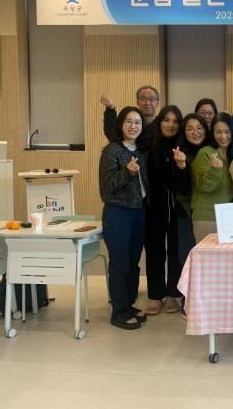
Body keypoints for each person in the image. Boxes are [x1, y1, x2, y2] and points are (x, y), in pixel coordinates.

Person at [99, 106, 149, 330]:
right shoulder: (112, 150)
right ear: (121, 124)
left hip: (139, 212)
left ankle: (128, 304)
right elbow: (106, 187)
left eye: (137, 122)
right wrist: (127, 172)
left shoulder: (141, 150)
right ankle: (118, 311)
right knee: (119, 262)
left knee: (132, 262)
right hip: (117, 212)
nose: (133, 126)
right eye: (129, 121)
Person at [144, 105, 184, 316]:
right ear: (159, 123)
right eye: (167, 120)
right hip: (154, 206)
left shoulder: (183, 145)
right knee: (154, 251)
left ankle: (172, 294)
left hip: (178, 208)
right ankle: (155, 295)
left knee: (175, 250)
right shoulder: (149, 144)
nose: (171, 125)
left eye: (175, 121)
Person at [172, 113, 211, 319]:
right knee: (187, 255)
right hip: (186, 211)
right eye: (189, 129)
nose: (195, 132)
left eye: (199, 128)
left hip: (209, 212)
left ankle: (207, 298)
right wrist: (181, 166)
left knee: (209, 257)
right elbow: (183, 188)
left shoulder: (213, 151)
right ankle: (187, 299)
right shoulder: (180, 152)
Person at [191, 112, 233, 243]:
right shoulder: (205, 153)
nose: (223, 136)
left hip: (228, 216)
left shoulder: (232, 155)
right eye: (218, 132)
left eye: (227, 132)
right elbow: (204, 186)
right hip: (207, 217)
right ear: (212, 133)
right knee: (207, 255)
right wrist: (214, 170)